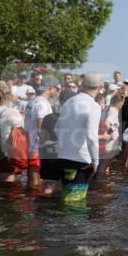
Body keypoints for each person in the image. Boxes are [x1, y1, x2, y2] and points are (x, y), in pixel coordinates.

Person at [55, 73, 102, 203]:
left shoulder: (69, 102)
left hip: (63, 156)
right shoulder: (93, 106)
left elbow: (57, 128)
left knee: (67, 198)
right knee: (75, 202)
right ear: (100, 87)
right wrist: (95, 161)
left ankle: (60, 223)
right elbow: (91, 136)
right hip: (81, 160)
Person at [24, 78, 59, 189]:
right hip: (38, 147)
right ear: (51, 88)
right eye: (57, 89)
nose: (57, 92)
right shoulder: (43, 104)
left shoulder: (32, 101)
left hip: (30, 144)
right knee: (37, 181)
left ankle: (31, 201)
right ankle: (36, 203)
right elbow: (41, 128)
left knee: (31, 179)